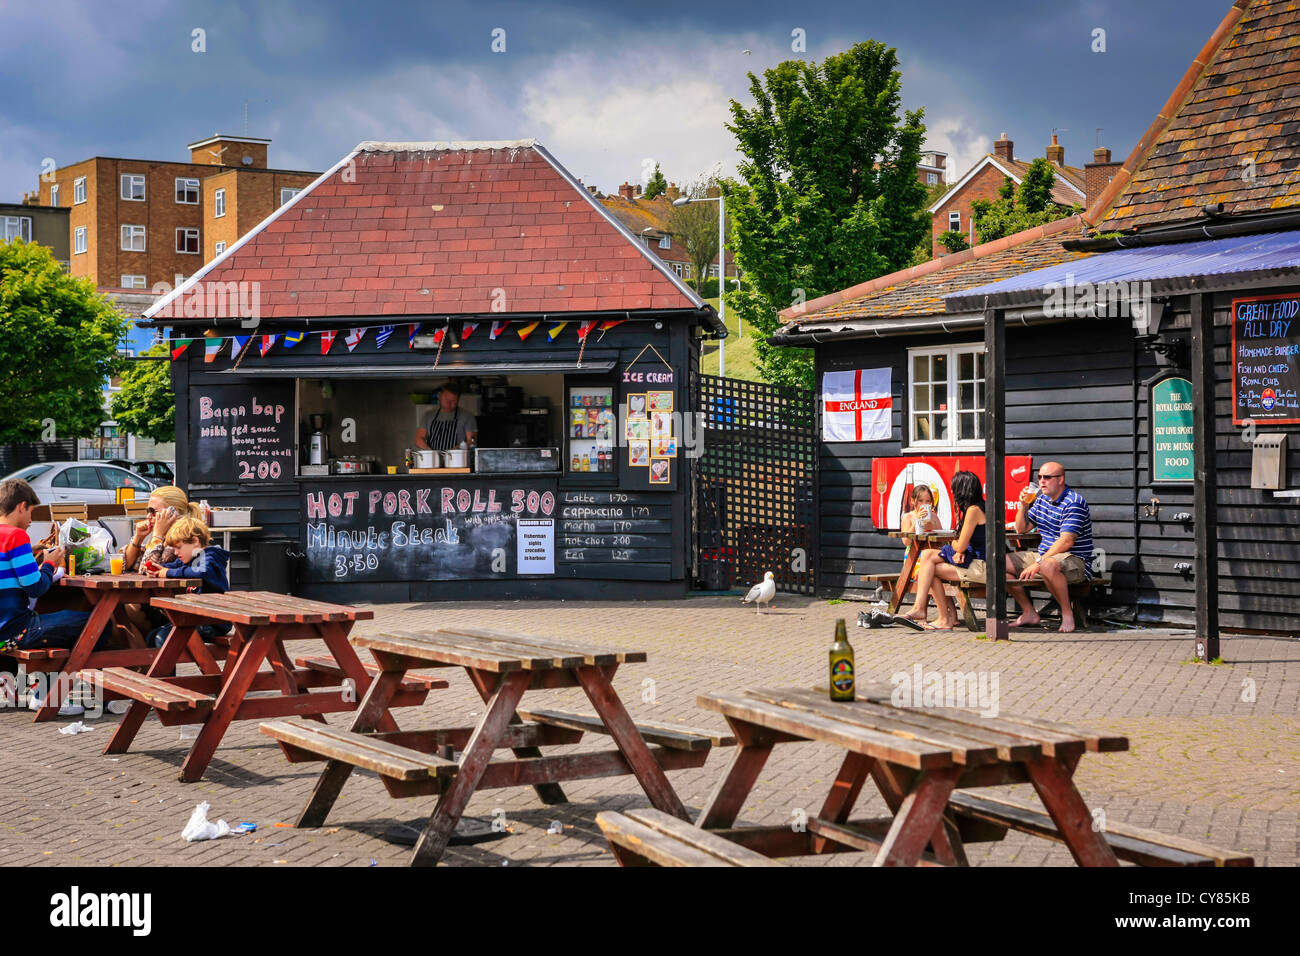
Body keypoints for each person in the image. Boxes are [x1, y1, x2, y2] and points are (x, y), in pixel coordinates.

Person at [0, 478, 111, 715]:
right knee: (99, 625)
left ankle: (36, 688)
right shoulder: (15, 536)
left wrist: (32, 552)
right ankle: (48, 694)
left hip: (4, 630)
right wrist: (50, 564)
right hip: (14, 631)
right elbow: (35, 588)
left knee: (59, 622)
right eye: (31, 511)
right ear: (21, 506)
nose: (30, 519)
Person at [1006, 461, 1094, 633]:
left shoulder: (1073, 502)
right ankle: (1029, 612)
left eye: (1047, 477)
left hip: (1074, 559)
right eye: (1039, 477)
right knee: (999, 563)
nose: (1041, 482)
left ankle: (1067, 613)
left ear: (1061, 479)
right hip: (1046, 555)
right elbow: (1022, 528)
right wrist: (1023, 506)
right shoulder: (1041, 501)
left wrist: (1038, 562)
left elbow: (1067, 541)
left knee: (1047, 565)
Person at [904, 471, 987, 629]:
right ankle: (933, 614)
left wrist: (957, 546)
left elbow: (960, 544)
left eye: (954, 489)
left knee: (928, 563)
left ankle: (930, 613)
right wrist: (960, 548)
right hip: (976, 561)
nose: (953, 493)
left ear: (962, 490)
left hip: (980, 566)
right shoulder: (979, 507)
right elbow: (973, 540)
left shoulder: (973, 510)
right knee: (928, 561)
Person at [145, 517, 231, 648]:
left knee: (163, 637)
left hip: (214, 621)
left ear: (195, 541)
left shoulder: (209, 556)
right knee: (153, 635)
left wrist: (168, 573)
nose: (175, 552)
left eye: (178, 547)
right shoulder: (189, 558)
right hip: (198, 618)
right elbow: (171, 566)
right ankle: (160, 668)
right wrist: (155, 569)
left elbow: (201, 572)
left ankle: (164, 668)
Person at [898, 484, 941, 593]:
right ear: (913, 501)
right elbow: (906, 541)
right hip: (914, 559)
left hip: (932, 556)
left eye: (928, 501)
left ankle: (948, 610)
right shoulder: (908, 517)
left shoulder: (934, 517)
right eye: (921, 501)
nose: (924, 504)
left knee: (937, 575)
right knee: (933, 575)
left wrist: (931, 523)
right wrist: (917, 520)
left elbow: (942, 541)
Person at [415, 381, 477, 451]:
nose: (448, 403)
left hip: (457, 459)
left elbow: (472, 442)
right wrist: (431, 452)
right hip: (433, 459)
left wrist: (456, 450)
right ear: (440, 397)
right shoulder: (428, 416)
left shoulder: (467, 416)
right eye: (446, 399)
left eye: (453, 401)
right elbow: (419, 439)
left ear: (458, 400)